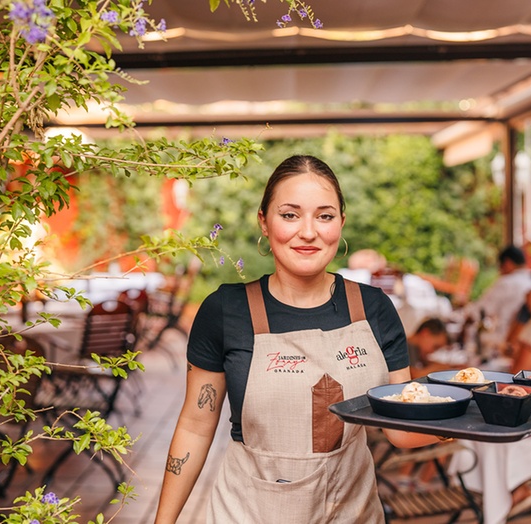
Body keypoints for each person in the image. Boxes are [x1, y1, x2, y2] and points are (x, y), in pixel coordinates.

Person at [154, 155, 437, 524]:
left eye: (324, 216)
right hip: (248, 514)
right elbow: (195, 426)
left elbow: (399, 429)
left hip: (352, 513)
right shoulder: (226, 311)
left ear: (341, 222)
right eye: (290, 215)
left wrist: (469, 421)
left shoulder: (374, 309)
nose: (308, 232)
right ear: (264, 221)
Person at [464, 245, 531, 361]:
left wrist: (465, 314)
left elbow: (479, 310)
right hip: (526, 344)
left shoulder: (506, 282)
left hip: (506, 342)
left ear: (507, 263)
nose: (499, 271)